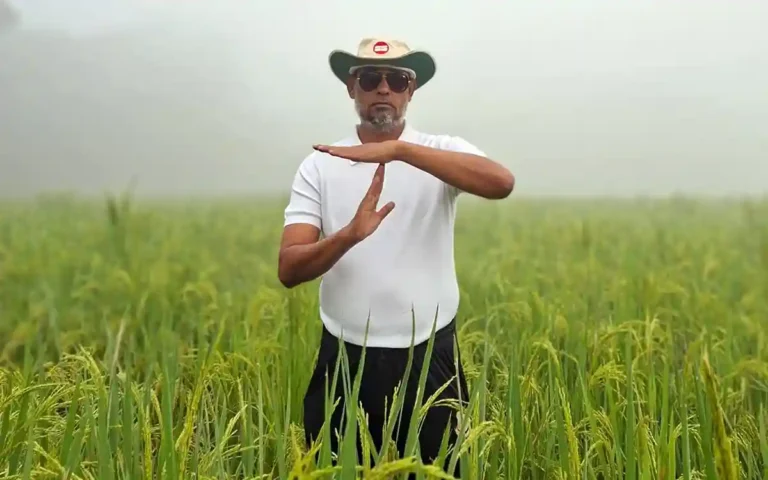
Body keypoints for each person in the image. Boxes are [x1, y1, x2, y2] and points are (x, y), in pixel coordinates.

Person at [277, 37, 515, 474]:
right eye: (370, 78)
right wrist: (348, 235)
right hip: (345, 355)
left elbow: (501, 182)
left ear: (411, 90)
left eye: (397, 79)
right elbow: (289, 268)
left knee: (441, 470)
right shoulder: (321, 165)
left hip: (430, 351)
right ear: (353, 89)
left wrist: (400, 151)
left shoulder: (441, 151)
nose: (383, 88)